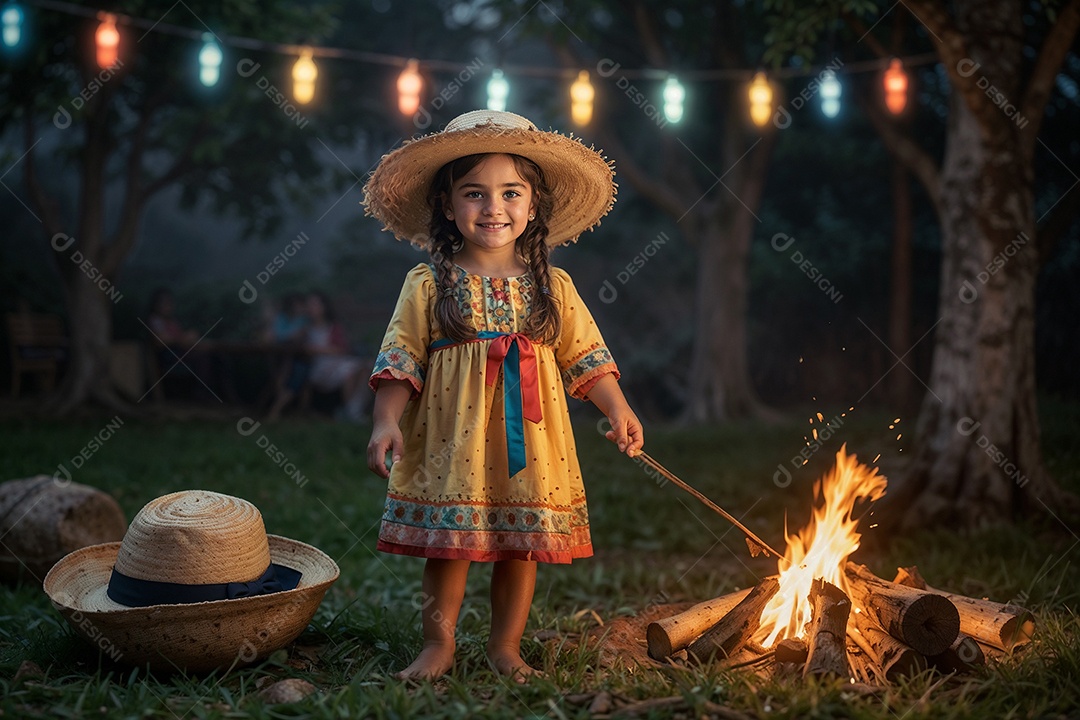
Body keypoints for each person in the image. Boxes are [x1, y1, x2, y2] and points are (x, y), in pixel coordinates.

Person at [362, 109, 643, 682]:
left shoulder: (551, 286)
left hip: (531, 444)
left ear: (533, 205)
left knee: (520, 544)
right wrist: (385, 422)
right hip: (451, 439)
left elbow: (585, 356)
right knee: (453, 545)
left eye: (510, 193)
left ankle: (505, 647)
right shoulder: (429, 283)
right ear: (447, 204)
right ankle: (437, 646)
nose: (493, 208)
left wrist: (618, 409)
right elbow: (400, 359)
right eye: (474, 193)